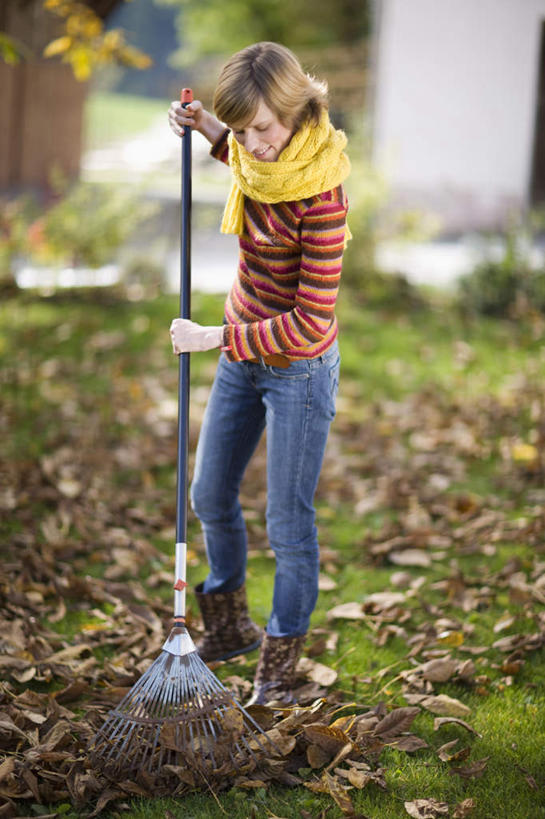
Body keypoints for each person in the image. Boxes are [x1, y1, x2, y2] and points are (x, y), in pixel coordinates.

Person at [167, 41, 350, 706]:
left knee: (288, 522)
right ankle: (229, 625)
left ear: (297, 110)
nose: (253, 144)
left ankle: (280, 669)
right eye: (242, 130)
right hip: (244, 356)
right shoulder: (254, 151)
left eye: (263, 128)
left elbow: (307, 322)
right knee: (210, 496)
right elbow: (241, 154)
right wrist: (209, 128)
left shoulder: (323, 198)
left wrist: (213, 337)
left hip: (297, 369)